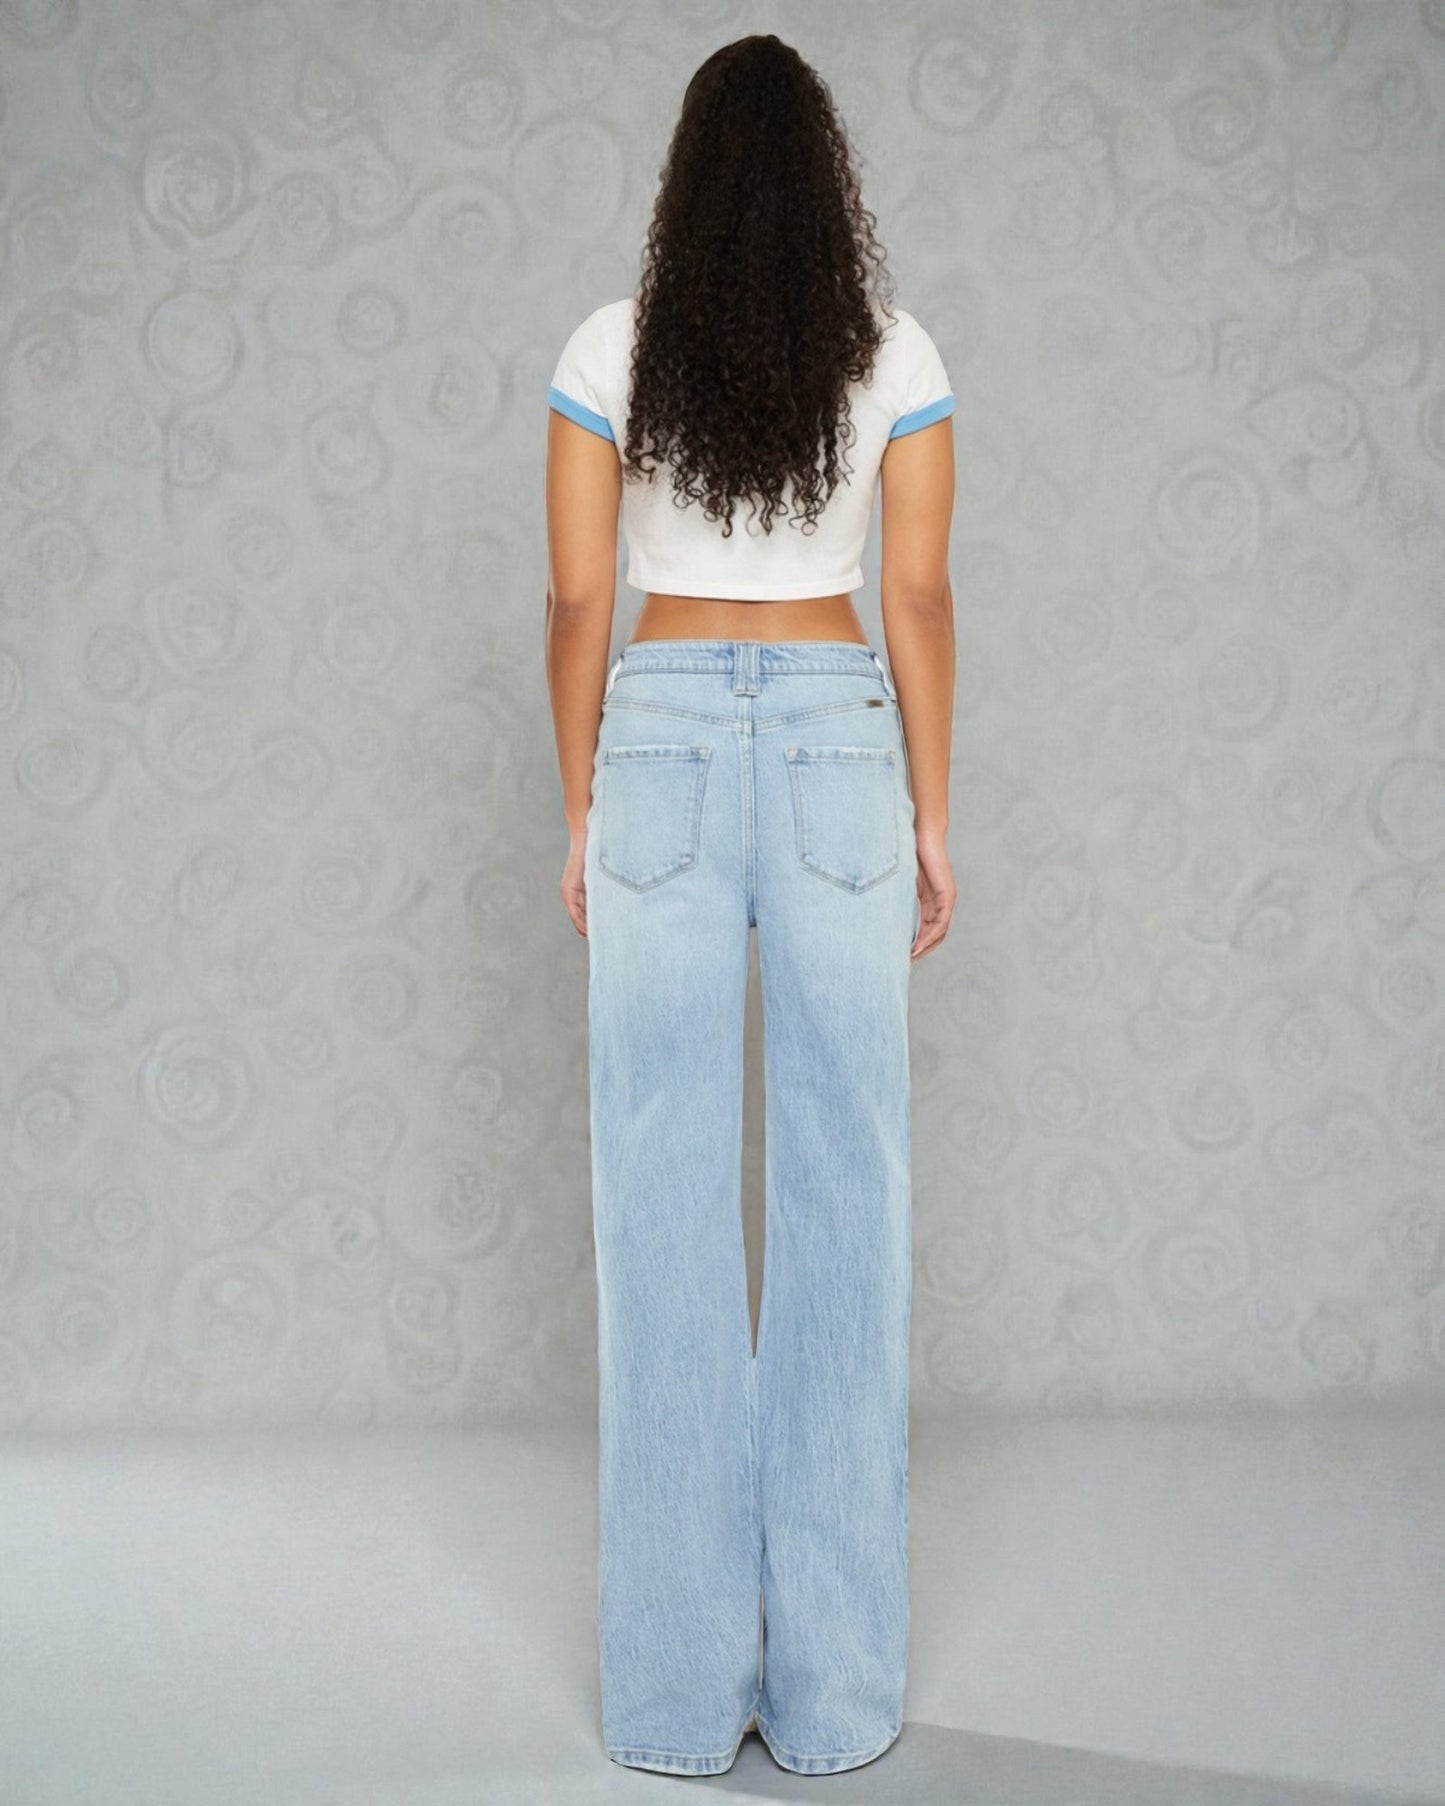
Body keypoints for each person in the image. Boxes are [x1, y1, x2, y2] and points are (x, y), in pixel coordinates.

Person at [543, 32, 957, 1780]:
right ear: (829, 188)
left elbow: (577, 598)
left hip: (654, 750)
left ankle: (666, 1703)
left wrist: (582, 807)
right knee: (847, 1193)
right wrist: (935, 818)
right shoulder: (896, 352)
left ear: (684, 187)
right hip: (836, 745)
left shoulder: (605, 350)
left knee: (655, 1204)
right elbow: (917, 594)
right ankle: (841, 1697)